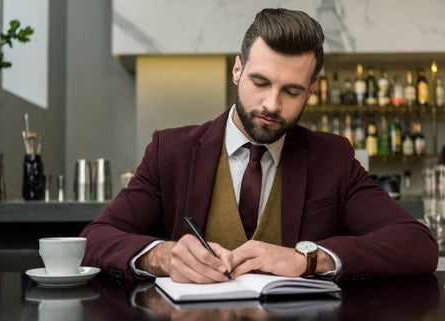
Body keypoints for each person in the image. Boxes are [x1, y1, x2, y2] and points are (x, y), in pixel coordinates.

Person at [80, 8, 438, 283]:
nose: (271, 104)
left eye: (292, 91)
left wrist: (308, 259)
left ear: (311, 92)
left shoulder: (333, 158)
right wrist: (160, 255)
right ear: (237, 70)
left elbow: (418, 244)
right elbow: (94, 239)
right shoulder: (169, 150)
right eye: (260, 82)